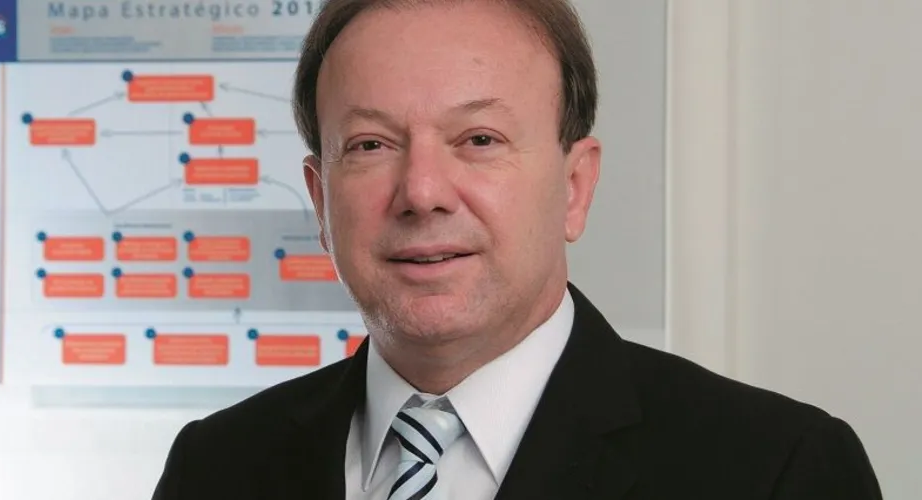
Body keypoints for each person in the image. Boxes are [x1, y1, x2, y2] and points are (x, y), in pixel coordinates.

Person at [151, 0, 884, 499]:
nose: (422, 192)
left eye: (479, 139)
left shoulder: (776, 471)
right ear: (320, 200)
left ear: (574, 187)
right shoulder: (215, 468)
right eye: (371, 145)